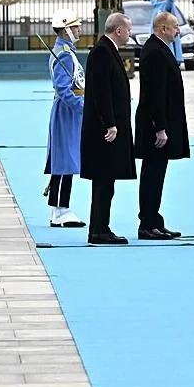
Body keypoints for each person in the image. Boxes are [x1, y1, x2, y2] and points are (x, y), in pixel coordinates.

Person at [80, 13, 137, 245]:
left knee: (107, 181)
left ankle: (101, 227)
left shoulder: (107, 49)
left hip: (110, 125)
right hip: (104, 130)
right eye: (129, 30)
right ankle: (99, 230)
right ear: (119, 30)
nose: (130, 34)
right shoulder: (102, 51)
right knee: (104, 180)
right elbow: (100, 91)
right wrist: (110, 123)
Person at [134, 11, 190, 240]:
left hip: (162, 122)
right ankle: (147, 224)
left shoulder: (160, 48)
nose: (178, 30)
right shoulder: (155, 51)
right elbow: (154, 94)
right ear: (162, 28)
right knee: (152, 175)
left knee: (157, 175)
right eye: (175, 26)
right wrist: (160, 127)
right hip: (155, 125)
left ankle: (154, 219)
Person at [44, 9, 86, 228]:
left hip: (69, 110)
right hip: (67, 111)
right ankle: (61, 209)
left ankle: (58, 208)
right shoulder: (64, 55)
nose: (79, 30)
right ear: (66, 29)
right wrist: (82, 107)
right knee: (64, 160)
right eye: (75, 27)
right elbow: (63, 89)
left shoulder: (66, 51)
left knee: (66, 158)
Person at [143, 0, 184, 65]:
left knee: (167, 55)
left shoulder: (168, 5)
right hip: (156, 35)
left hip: (166, 35)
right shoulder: (156, 4)